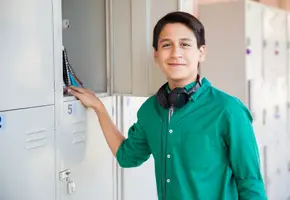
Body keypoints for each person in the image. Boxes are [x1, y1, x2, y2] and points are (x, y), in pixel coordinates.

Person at [67, 11, 267, 200]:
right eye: (166, 45)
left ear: (201, 52)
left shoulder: (228, 110)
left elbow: (250, 182)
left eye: (185, 44)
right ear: (156, 54)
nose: (175, 53)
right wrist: (99, 108)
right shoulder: (149, 110)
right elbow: (127, 157)